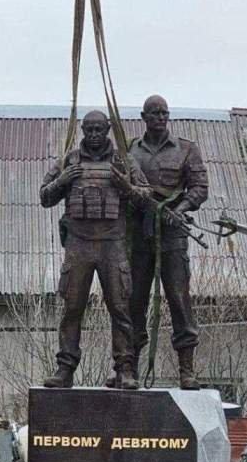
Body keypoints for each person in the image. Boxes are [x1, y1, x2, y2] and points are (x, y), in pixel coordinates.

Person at [40, 110, 150, 389]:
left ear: (108, 129)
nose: (93, 135)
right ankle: (65, 369)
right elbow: (44, 197)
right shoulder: (69, 160)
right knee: (72, 308)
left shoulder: (124, 162)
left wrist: (125, 185)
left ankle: (125, 369)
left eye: (99, 129)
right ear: (82, 130)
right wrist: (63, 179)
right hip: (78, 244)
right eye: (88, 130)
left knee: (120, 307)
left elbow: (146, 197)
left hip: (112, 244)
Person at [127, 95, 208, 389]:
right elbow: (123, 188)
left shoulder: (186, 149)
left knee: (179, 299)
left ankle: (186, 369)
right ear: (144, 116)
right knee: (134, 301)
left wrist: (179, 210)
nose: (161, 117)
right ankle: (128, 368)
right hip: (138, 237)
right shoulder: (130, 150)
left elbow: (200, 188)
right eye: (154, 113)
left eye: (164, 113)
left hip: (173, 237)